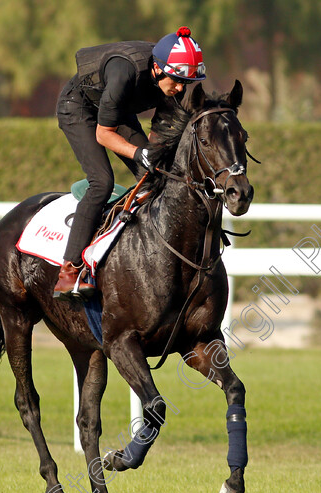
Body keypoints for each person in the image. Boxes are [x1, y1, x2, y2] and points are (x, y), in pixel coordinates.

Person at [54, 26, 207, 299]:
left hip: (116, 111)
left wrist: (154, 157)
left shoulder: (172, 80)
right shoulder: (124, 73)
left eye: (186, 82)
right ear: (158, 69)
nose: (181, 87)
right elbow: (103, 134)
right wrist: (138, 154)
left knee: (158, 176)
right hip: (79, 107)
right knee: (102, 182)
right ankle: (70, 272)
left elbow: (158, 134)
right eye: (175, 80)